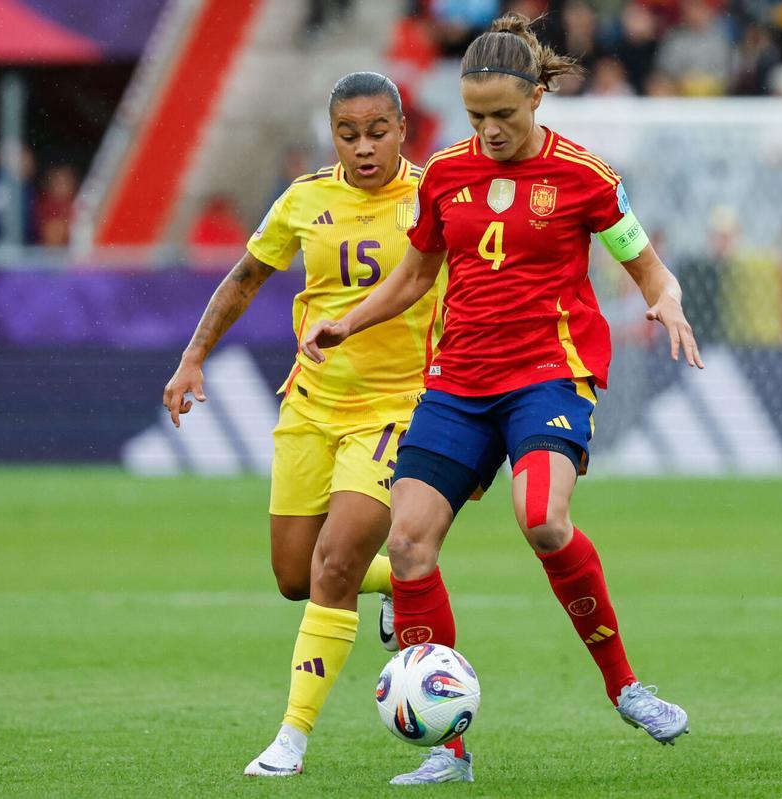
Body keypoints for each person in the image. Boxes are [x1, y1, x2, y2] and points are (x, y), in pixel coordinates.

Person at [301, 14, 702, 786]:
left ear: (538, 98)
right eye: (476, 115)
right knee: (411, 543)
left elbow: (644, 262)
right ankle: (447, 750)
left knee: (544, 519)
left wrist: (667, 299)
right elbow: (416, 276)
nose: (488, 130)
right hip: (458, 383)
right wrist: (347, 322)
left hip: (549, 374)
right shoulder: (446, 174)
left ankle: (627, 687)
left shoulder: (585, 175)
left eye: (503, 116)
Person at [162, 72, 443, 779]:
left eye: (378, 131)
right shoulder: (304, 199)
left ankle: (291, 737)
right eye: (348, 134)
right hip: (310, 405)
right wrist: (193, 358)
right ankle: (397, 584)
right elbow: (244, 279)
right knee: (295, 575)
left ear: (402, 129)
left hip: (393, 411)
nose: (364, 147)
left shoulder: (433, 198)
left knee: (333, 562)